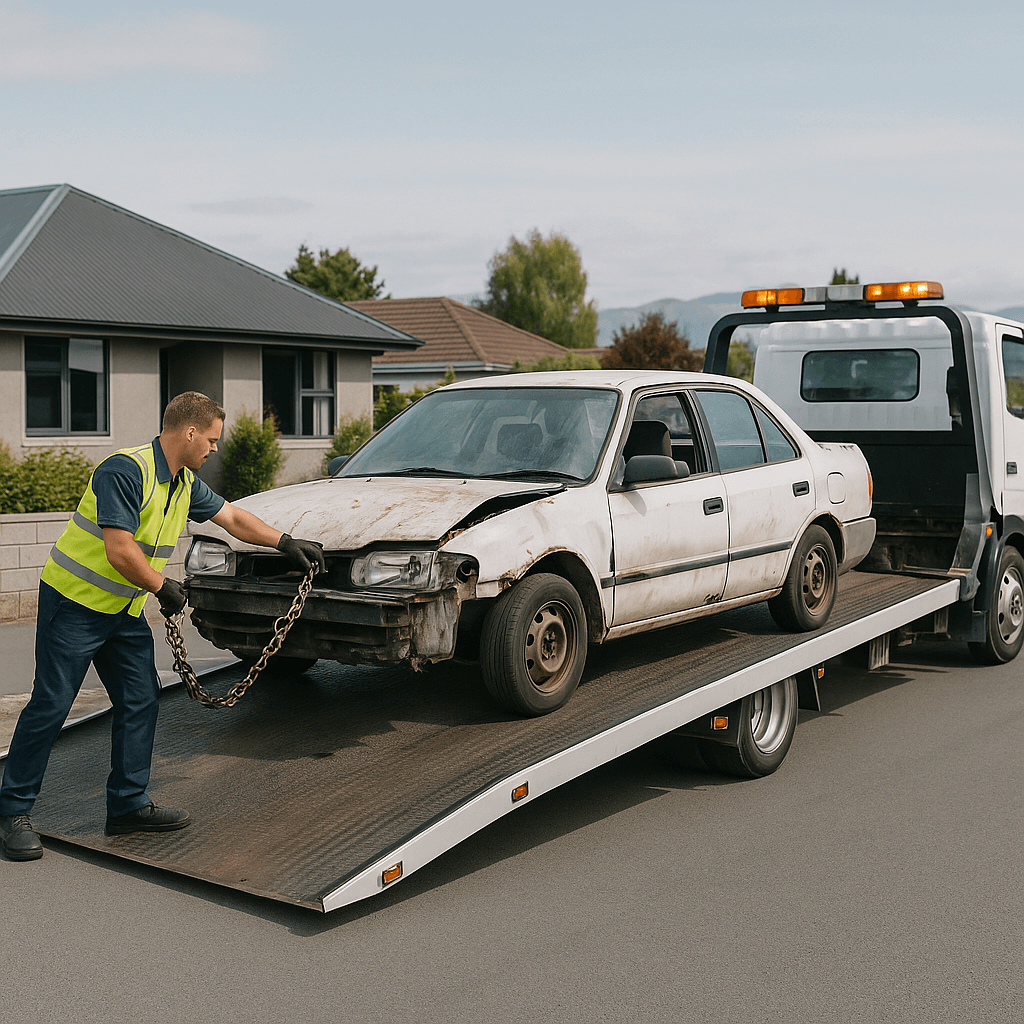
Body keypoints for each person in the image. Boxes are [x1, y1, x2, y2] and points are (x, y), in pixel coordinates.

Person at [0, 392, 325, 861]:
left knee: (140, 698)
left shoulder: (183, 483)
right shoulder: (125, 470)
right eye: (211, 439)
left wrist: (285, 542)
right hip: (73, 604)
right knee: (52, 704)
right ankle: (12, 811)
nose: (214, 448)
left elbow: (232, 517)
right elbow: (118, 548)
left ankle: (127, 806)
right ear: (188, 432)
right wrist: (161, 586)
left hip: (123, 610)